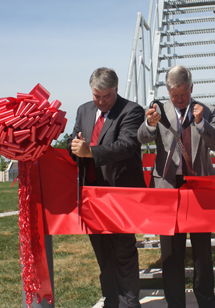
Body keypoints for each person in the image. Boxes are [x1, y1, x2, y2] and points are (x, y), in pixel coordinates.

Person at [138, 65, 215, 308]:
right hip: (168, 188)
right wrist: (150, 124)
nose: (178, 100)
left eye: (183, 95)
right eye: (174, 95)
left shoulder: (206, 111)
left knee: (202, 254)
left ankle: (206, 302)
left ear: (191, 88)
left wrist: (201, 124)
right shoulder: (158, 110)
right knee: (170, 254)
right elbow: (142, 137)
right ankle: (175, 303)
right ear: (167, 91)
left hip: (198, 188)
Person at [68, 67, 145, 308]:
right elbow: (73, 139)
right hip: (91, 196)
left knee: (123, 252)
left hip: (120, 194)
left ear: (116, 89)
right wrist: (75, 146)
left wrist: (89, 151)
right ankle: (112, 300)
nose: (100, 102)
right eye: (96, 96)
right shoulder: (83, 110)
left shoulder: (132, 110)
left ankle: (130, 303)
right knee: (103, 253)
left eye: (106, 96)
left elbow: (125, 146)